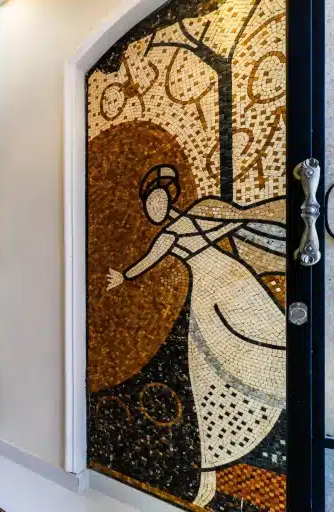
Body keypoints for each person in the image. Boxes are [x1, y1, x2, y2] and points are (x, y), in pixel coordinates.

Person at [107, 165, 286, 507]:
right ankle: (212, 461)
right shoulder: (168, 236)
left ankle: (286, 383)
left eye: (157, 202)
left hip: (233, 278)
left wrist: (258, 220)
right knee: (206, 363)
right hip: (205, 291)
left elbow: (236, 220)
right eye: (149, 208)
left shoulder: (201, 212)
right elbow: (147, 261)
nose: (154, 211)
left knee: (264, 333)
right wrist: (124, 277)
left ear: (168, 198)